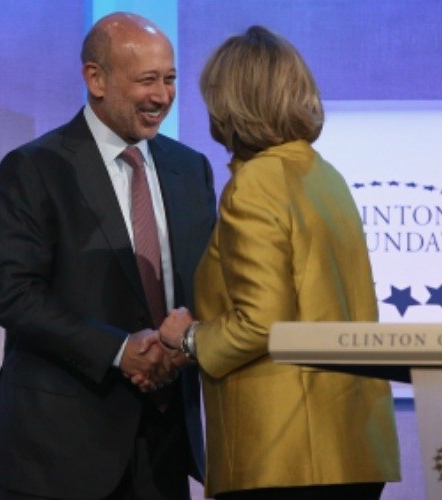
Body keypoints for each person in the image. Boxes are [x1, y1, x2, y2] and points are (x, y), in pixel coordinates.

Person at [158, 26, 401, 500]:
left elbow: (262, 323)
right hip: (352, 447)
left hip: (282, 455)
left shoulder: (256, 184)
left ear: (229, 103)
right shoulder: (325, 176)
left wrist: (187, 339)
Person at [0, 11, 215, 500]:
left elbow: (208, 284)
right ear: (96, 79)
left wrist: (183, 341)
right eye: (147, 80)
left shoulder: (190, 169)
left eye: (170, 79)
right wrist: (118, 349)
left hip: (164, 446)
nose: (162, 96)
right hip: (56, 451)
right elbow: (14, 295)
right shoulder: (34, 169)